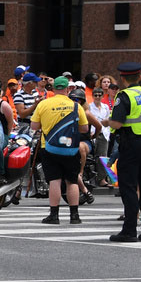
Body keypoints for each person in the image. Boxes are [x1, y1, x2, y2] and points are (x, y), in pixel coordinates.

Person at [106, 62, 141, 242]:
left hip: (131, 144)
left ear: (123, 79)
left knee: (129, 187)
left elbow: (116, 123)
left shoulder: (124, 96)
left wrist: (106, 121)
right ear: (139, 77)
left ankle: (129, 230)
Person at [30, 76, 89, 225]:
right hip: (71, 148)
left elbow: (34, 126)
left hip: (49, 147)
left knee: (54, 181)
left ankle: (54, 215)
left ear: (53, 88)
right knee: (72, 181)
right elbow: (84, 128)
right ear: (68, 89)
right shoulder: (76, 106)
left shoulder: (44, 104)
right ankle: (74, 215)